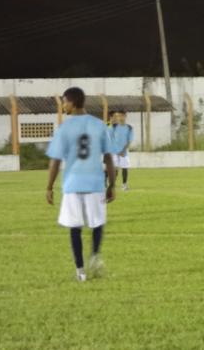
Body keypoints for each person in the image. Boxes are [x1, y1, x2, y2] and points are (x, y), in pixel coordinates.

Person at [46, 87, 116, 282]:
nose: (63, 105)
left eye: (65, 102)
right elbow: (109, 158)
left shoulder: (64, 128)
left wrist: (49, 187)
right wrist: (112, 185)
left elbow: (55, 162)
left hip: (72, 183)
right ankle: (94, 255)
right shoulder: (99, 125)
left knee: (75, 227)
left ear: (73, 102)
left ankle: (80, 271)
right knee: (97, 223)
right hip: (95, 183)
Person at [111, 110, 134, 191]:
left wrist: (123, 150)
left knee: (124, 167)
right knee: (114, 168)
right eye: (118, 116)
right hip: (114, 151)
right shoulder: (114, 127)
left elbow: (129, 140)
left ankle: (124, 185)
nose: (119, 118)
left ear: (125, 116)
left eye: (121, 116)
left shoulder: (129, 128)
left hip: (124, 152)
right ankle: (112, 184)